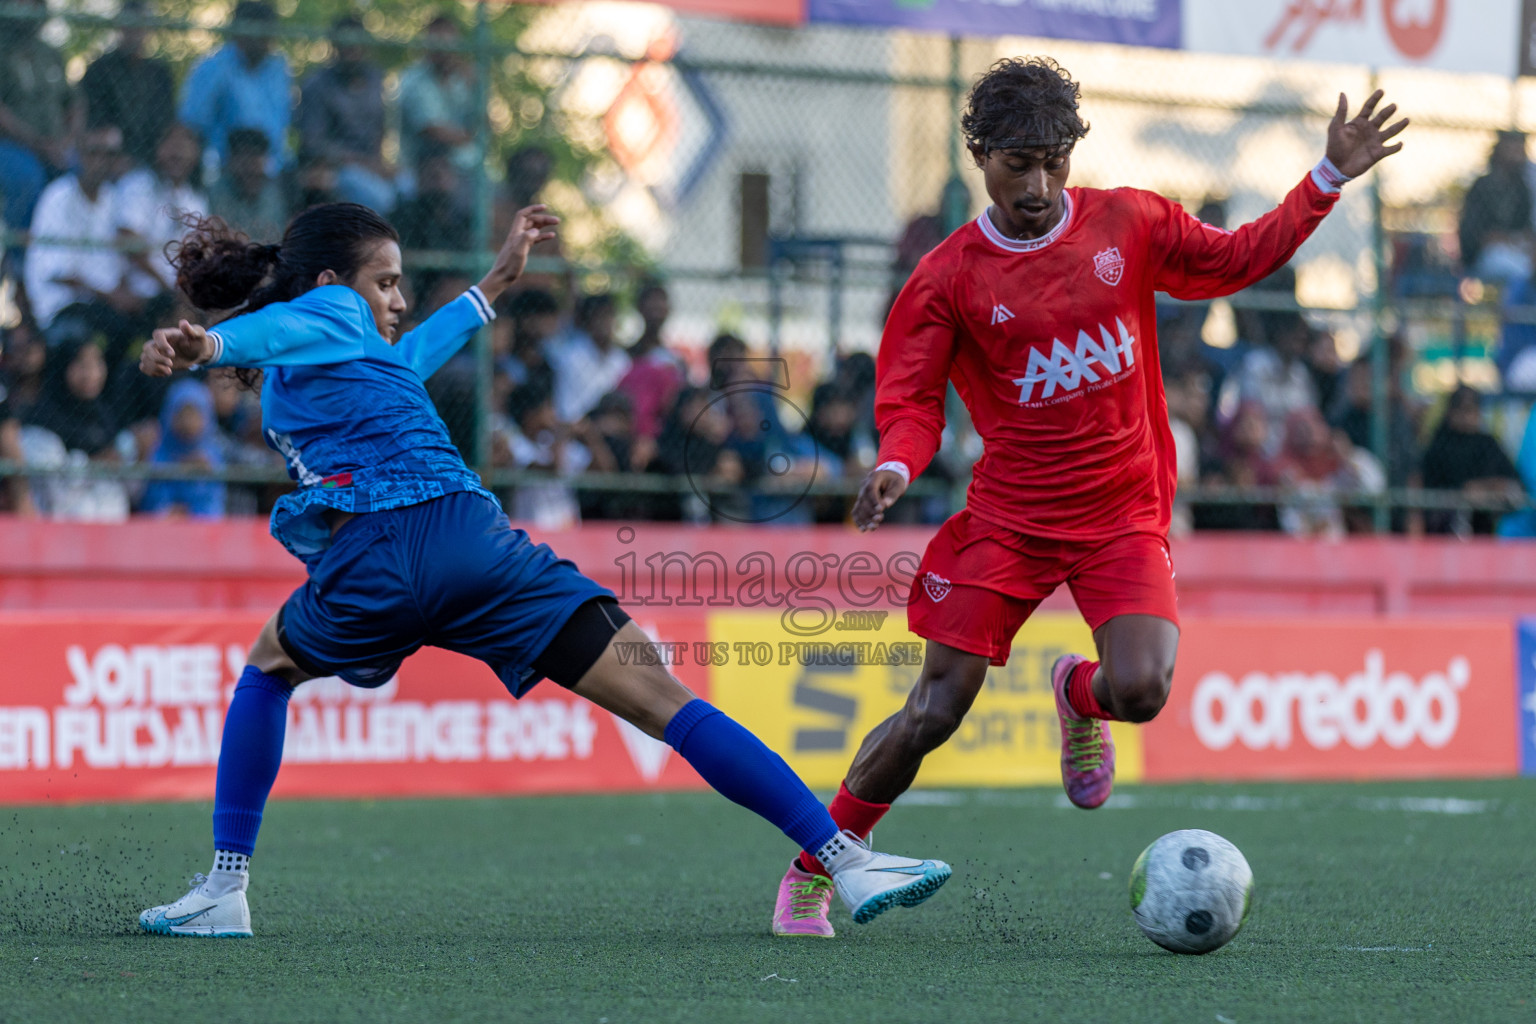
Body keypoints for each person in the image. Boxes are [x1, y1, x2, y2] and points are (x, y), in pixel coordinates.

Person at [133, 201, 950, 937]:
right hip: (474, 548)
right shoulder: (333, 312)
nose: (396, 299)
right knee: (666, 702)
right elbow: (273, 331)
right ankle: (844, 860)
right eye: (385, 283)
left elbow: (407, 347)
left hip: (372, 568)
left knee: (268, 670)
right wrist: (211, 342)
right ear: (331, 284)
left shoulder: (320, 374)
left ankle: (226, 887)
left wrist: (494, 283)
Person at [763, 56, 1406, 939]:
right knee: (932, 713)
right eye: (1016, 163)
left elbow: (1235, 259)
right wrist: (897, 465)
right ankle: (814, 868)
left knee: (1141, 689)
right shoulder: (948, 276)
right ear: (979, 156)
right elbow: (910, 398)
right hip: (1009, 522)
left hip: (1122, 513)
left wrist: (1326, 175)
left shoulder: (1128, 222)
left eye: (1053, 161)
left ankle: (1080, 693)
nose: (1036, 184)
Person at [178, 1, 292, 172]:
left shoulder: (278, 69)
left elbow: (281, 125)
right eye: (252, 31)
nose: (259, 40)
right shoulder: (213, 67)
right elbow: (192, 124)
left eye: (265, 32)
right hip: (224, 168)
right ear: (237, 31)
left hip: (272, 167)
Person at [297, 17, 393, 213]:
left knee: (408, 187)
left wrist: (379, 164)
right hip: (335, 169)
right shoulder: (317, 85)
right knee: (382, 198)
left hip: (372, 165)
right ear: (335, 46)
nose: (352, 51)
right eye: (346, 45)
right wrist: (362, 164)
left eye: (356, 44)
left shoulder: (375, 80)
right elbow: (313, 145)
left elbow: (380, 129)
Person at [0, 0, 72, 234]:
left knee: (79, 176)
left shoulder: (50, 53)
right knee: (28, 179)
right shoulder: (3, 51)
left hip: (54, 146)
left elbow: (74, 101)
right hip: (10, 145)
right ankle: (19, 258)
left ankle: (67, 257)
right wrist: (38, 144)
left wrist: (68, 141)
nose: (29, 8)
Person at [79, 0, 175, 170]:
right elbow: (95, 122)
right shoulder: (100, 70)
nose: (135, 32)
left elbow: (165, 123)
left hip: (152, 160)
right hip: (110, 157)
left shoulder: (160, 74)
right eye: (129, 25)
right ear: (120, 26)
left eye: (140, 25)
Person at [1421, 385, 1524, 536]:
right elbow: (1430, 488)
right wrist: (1464, 493)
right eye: (1463, 409)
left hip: (1484, 530)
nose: (1468, 416)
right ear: (1451, 412)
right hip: (1444, 531)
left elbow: (1515, 486)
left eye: (1473, 409)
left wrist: (1488, 488)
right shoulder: (1440, 445)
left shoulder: (1486, 443)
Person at [396, 15, 478, 181]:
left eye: (449, 44)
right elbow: (434, 132)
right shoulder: (414, 80)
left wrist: (474, 87)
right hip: (422, 172)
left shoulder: (463, 80)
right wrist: (470, 135)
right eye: (438, 44)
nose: (444, 51)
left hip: (469, 168)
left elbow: (485, 124)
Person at [140, 378, 226, 518]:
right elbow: (152, 496)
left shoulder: (212, 454)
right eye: (182, 415)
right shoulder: (157, 450)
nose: (188, 423)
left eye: (194, 415)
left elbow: (213, 500)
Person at [207, 128, 287, 244]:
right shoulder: (216, 195)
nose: (250, 166)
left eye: (256, 155)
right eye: (244, 156)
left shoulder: (275, 198)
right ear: (231, 160)